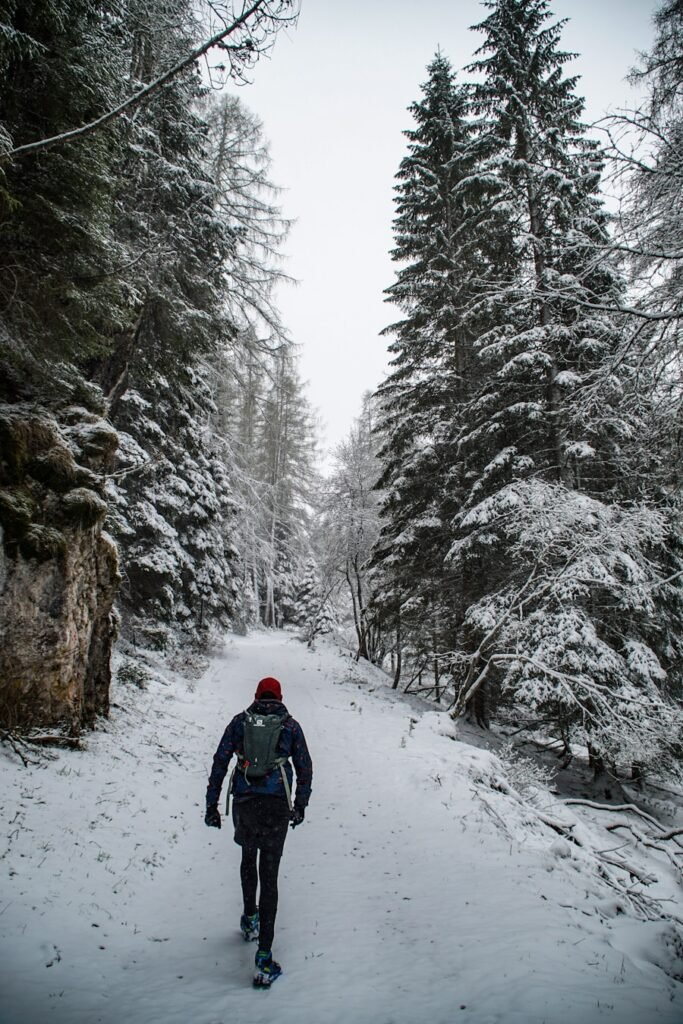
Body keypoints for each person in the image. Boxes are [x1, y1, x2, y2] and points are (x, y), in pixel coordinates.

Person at [205, 675, 313, 986]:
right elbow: (305, 767)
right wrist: (300, 804)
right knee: (270, 875)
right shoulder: (290, 726)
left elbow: (220, 762)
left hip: (245, 802)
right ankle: (264, 957)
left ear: (256, 695)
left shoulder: (240, 722)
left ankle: (249, 918)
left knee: (246, 858)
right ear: (280, 697)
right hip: (277, 805)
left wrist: (212, 805)